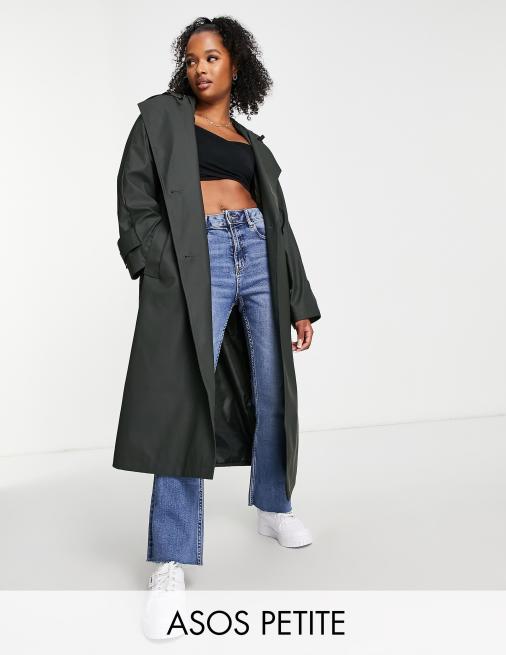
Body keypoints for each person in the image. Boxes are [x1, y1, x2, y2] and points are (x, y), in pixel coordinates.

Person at [113, 16, 321, 640]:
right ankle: (170, 557)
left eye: (211, 57)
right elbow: (134, 197)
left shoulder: (252, 143)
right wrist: (163, 264)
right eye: (191, 58)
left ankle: (274, 503)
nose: (199, 67)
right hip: (196, 259)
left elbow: (280, 226)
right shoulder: (160, 120)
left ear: (236, 65)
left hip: (257, 254)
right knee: (184, 400)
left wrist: (299, 299)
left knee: (271, 386)